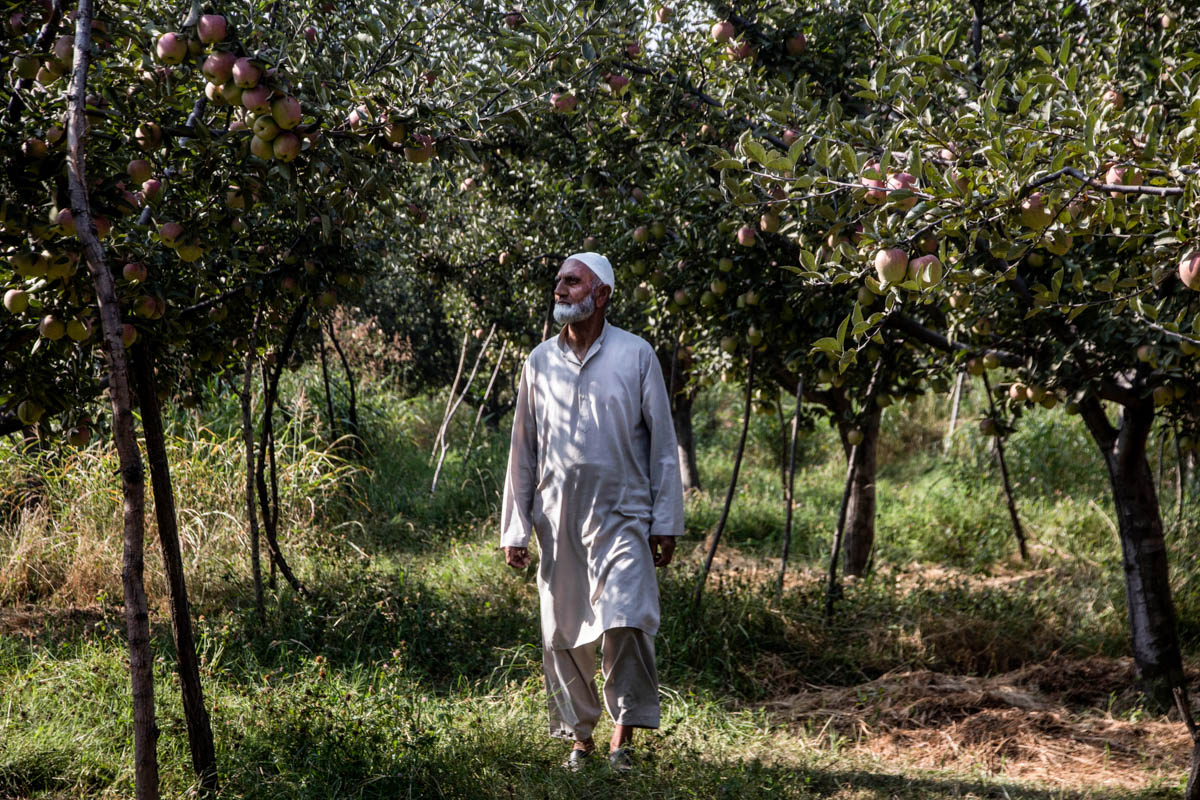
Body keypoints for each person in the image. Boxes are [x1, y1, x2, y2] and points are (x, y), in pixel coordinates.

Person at [500, 251, 684, 773]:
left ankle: (621, 739)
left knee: (627, 619)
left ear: (601, 294)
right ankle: (579, 738)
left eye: (572, 281)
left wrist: (665, 520)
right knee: (562, 629)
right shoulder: (539, 362)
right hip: (557, 519)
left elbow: (663, 446)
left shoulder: (636, 355)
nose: (560, 288)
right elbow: (523, 451)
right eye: (558, 280)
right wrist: (515, 527)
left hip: (624, 515)